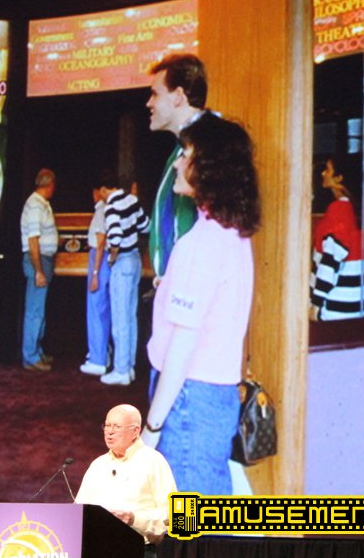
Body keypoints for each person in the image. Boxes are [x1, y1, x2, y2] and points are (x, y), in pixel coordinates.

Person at [143, 115, 260, 495]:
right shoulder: (231, 234)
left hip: (188, 400)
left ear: (209, 168)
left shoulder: (201, 244)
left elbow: (181, 348)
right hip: (215, 396)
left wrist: (151, 429)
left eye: (186, 154)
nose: (178, 163)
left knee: (189, 517)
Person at [76, 403, 177, 558]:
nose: (109, 432)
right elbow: (79, 509)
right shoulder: (98, 465)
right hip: (97, 557)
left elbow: (172, 515)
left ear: (135, 431)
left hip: (137, 555)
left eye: (116, 427)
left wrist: (133, 519)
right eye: (107, 425)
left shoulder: (153, 461)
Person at [145, 53, 208, 281]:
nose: (149, 103)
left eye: (155, 94)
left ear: (179, 96)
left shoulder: (211, 147)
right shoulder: (181, 150)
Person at [100, 176, 150, 386]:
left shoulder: (111, 207)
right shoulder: (132, 200)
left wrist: (111, 259)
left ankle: (120, 370)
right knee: (130, 316)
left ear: (104, 189)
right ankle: (129, 367)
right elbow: (146, 226)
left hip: (122, 262)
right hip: (135, 259)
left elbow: (115, 237)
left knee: (120, 318)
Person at [310, 155, 364, 320]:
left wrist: (316, 304)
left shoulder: (338, 211)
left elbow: (329, 263)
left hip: (332, 307)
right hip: (355, 304)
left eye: (328, 170)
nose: (323, 173)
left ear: (339, 178)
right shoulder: (360, 213)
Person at [20, 168, 59, 371]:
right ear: (49, 185)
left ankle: (37, 351)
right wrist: (39, 271)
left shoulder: (42, 204)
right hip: (39, 261)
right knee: (35, 311)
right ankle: (30, 357)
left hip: (44, 260)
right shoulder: (35, 206)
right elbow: (33, 240)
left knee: (39, 310)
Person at [80, 174, 113, 377]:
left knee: (96, 309)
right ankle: (101, 353)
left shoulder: (101, 211)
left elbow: (100, 243)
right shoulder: (105, 210)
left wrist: (95, 273)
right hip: (101, 260)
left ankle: (97, 359)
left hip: (98, 260)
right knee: (102, 310)